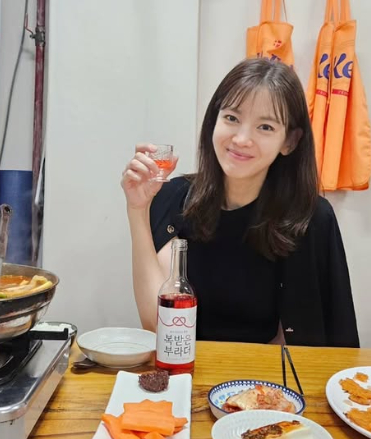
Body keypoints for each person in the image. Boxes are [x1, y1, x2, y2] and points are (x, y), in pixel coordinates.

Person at [121, 58, 359, 347]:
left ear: (290, 142)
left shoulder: (310, 218)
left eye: (265, 127)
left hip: (269, 374)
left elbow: (317, 341)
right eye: (232, 118)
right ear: (214, 120)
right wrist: (138, 209)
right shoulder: (172, 197)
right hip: (185, 366)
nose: (242, 139)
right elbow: (158, 325)